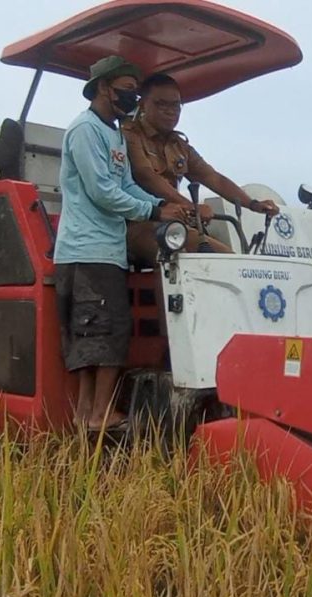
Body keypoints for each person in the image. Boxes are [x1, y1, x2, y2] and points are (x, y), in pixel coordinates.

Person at [53, 56, 190, 432]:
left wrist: (166, 206)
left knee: (96, 332)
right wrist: (153, 211)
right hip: (86, 248)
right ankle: (98, 414)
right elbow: (102, 192)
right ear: (102, 87)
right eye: (127, 90)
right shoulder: (84, 130)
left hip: (107, 248)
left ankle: (87, 415)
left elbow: (126, 184)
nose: (131, 97)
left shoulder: (113, 133)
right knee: (104, 332)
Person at [123, 72, 279, 265]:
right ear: (143, 104)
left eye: (175, 105)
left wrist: (253, 203)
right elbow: (146, 176)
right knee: (196, 262)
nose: (170, 111)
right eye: (161, 104)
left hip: (174, 224)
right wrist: (191, 206)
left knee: (231, 260)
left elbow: (212, 177)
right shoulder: (129, 135)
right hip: (138, 223)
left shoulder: (179, 145)